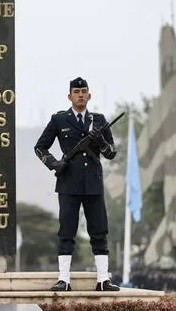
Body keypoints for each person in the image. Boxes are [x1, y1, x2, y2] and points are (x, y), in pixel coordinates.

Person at [34, 77, 120, 292]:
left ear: (89, 95)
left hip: (93, 183)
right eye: (76, 91)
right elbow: (40, 148)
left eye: (84, 91)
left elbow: (111, 153)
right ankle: (64, 279)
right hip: (68, 183)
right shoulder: (59, 120)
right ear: (69, 96)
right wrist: (54, 164)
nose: (80, 95)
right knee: (67, 231)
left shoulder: (99, 120)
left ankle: (103, 279)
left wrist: (99, 140)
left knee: (99, 231)